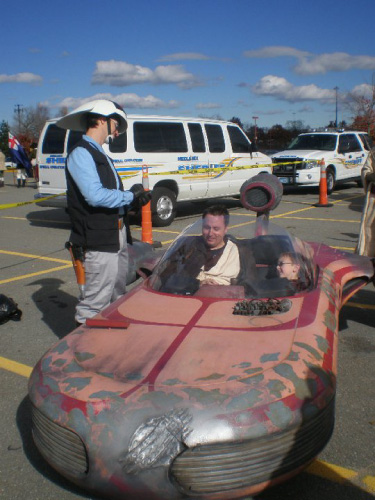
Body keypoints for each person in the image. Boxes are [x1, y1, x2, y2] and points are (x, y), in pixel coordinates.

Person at [56, 99, 151, 325]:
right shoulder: (81, 153)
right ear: (102, 120)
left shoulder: (99, 153)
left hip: (115, 234)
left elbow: (108, 194)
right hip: (97, 239)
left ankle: (108, 345)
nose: (118, 132)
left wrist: (132, 201)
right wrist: (131, 196)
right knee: (94, 303)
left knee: (117, 294)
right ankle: (80, 353)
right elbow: (95, 195)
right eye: (116, 125)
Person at [158, 205, 241, 293]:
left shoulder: (238, 252)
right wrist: (198, 284)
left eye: (216, 229)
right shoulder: (188, 245)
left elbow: (249, 287)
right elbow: (166, 276)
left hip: (222, 300)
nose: (210, 233)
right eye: (206, 227)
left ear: (225, 229)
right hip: (185, 297)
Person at [357, 149, 375, 256]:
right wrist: (370, 176)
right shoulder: (373, 152)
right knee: (369, 230)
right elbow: (365, 170)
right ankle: (368, 259)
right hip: (373, 201)